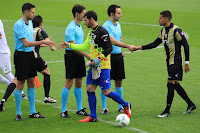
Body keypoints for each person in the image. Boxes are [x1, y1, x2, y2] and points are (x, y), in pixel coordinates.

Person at [58, 10, 131, 122]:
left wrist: (98, 59)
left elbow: (109, 48)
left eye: (86, 20)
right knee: (90, 88)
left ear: (92, 19)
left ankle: (126, 105)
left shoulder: (102, 31)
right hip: (94, 67)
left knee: (106, 92)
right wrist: (69, 45)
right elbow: (83, 46)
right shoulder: (91, 33)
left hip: (103, 66)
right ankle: (93, 116)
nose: (85, 22)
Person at [135, 10, 196, 117]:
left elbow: (186, 45)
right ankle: (191, 104)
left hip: (176, 61)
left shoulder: (176, 30)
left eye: (160, 18)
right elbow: (154, 44)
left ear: (166, 19)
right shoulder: (163, 31)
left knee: (170, 84)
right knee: (175, 84)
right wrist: (139, 48)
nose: (158, 20)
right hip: (169, 61)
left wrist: (187, 62)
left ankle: (167, 111)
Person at [13, 3, 56, 121]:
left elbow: (33, 43)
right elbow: (26, 43)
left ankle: (32, 112)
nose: (34, 14)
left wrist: (47, 44)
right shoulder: (18, 25)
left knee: (31, 82)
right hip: (21, 56)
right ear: (26, 12)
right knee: (20, 83)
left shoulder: (30, 23)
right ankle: (18, 113)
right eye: (32, 12)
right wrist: (45, 42)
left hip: (30, 55)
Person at [100, 4, 135, 114]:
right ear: (112, 14)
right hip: (108, 57)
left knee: (119, 81)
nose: (121, 15)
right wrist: (128, 46)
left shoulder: (118, 25)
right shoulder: (106, 26)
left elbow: (119, 38)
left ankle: (121, 106)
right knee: (106, 82)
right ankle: (104, 107)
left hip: (118, 57)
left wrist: (120, 51)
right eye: (118, 13)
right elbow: (112, 41)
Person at [60, 4, 90, 118]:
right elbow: (73, 47)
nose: (85, 15)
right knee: (69, 83)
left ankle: (79, 109)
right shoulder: (71, 28)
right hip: (72, 56)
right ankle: (63, 110)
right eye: (83, 13)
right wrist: (87, 55)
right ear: (77, 14)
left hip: (79, 56)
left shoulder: (79, 26)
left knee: (79, 82)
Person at [0, 19, 25, 111]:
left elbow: (0, 35)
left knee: (7, 73)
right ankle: (9, 84)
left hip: (3, 52)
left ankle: (21, 92)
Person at [32, 15, 57, 103]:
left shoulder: (30, 30)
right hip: (35, 57)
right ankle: (47, 97)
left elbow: (36, 43)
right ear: (41, 23)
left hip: (27, 57)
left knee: (25, 79)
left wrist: (45, 44)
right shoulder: (41, 30)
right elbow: (47, 40)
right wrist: (51, 45)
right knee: (47, 72)